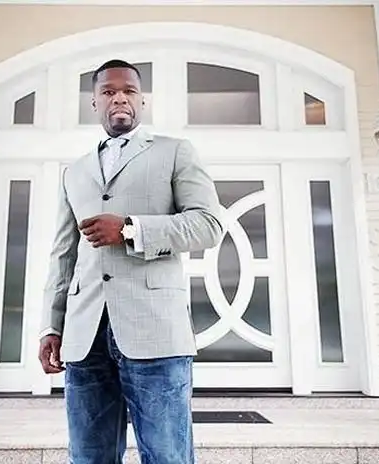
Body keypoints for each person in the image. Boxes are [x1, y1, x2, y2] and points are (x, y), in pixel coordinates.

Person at [38, 59, 224, 463]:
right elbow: (64, 254)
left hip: (156, 332)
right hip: (84, 337)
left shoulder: (175, 152)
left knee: (167, 456)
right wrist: (52, 325)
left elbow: (209, 225)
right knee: (89, 457)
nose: (119, 98)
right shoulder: (75, 172)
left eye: (129, 91)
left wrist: (129, 229)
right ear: (95, 102)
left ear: (142, 100)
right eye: (108, 92)